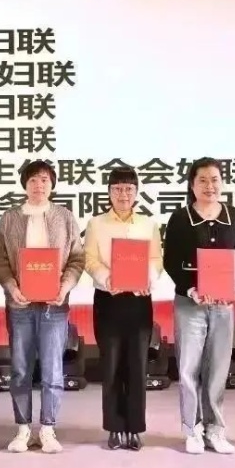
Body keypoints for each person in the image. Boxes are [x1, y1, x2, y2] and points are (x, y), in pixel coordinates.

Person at [0, 160, 85, 454]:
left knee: (53, 369)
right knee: (21, 369)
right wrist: (12, 287)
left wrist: (65, 287)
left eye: (44, 179)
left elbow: (77, 258)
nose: (39, 185)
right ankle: (22, 428)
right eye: (33, 180)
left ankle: (47, 428)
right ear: (25, 184)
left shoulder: (65, 218)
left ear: (52, 184)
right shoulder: (10, 218)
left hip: (54, 306)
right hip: (20, 305)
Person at [163, 157, 235, 455]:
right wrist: (190, 288)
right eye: (202, 180)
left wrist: (234, 287)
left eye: (214, 179)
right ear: (192, 184)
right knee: (188, 368)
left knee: (218, 368)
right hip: (190, 303)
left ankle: (216, 429)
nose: (209, 186)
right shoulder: (180, 218)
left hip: (223, 305)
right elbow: (170, 260)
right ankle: (192, 428)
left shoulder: (233, 216)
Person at [84, 166, 163, 451]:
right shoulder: (96, 224)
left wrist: (148, 279)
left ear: (136, 192)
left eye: (129, 189)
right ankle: (115, 428)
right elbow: (90, 259)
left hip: (139, 300)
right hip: (109, 300)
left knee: (137, 366)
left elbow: (156, 259)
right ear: (109, 192)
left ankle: (135, 428)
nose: (123, 194)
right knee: (112, 365)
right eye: (117, 188)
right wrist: (107, 279)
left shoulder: (148, 224)